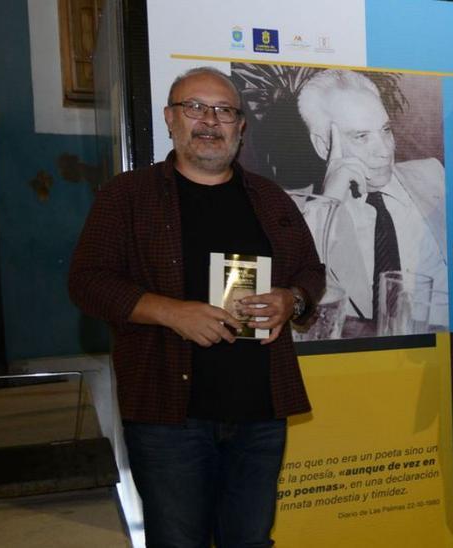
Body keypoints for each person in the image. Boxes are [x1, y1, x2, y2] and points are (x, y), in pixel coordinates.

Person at [68, 66, 325, 546]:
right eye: (195, 108)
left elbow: (311, 271)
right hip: (169, 416)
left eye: (224, 111)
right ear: (170, 118)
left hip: (260, 412)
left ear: (241, 126)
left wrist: (291, 299)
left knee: (249, 541)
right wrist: (170, 312)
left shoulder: (270, 199)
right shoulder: (127, 196)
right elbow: (86, 282)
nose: (210, 120)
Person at [297, 68, 447, 335]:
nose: (384, 150)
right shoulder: (304, 214)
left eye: (385, 130)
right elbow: (301, 307)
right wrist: (330, 199)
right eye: (361, 136)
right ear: (323, 146)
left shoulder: (433, 176)